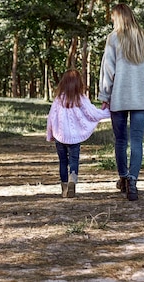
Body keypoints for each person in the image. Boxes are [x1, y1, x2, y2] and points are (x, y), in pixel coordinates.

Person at [98, 3, 144, 201]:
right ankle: (132, 181)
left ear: (118, 17)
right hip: (142, 97)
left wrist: (105, 96)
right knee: (137, 141)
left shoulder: (113, 38)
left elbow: (108, 70)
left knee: (121, 140)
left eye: (113, 18)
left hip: (119, 97)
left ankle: (123, 178)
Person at [47, 69, 110, 198]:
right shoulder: (81, 98)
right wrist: (107, 112)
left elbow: (51, 118)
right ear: (78, 84)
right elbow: (92, 113)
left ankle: (64, 188)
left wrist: (50, 134)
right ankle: (73, 180)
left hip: (60, 136)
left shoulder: (58, 99)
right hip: (74, 137)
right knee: (74, 160)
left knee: (63, 161)